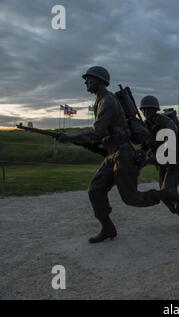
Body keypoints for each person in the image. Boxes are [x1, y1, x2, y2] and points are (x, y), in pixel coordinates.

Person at [57, 66, 172, 243]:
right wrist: (72, 139)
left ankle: (166, 194)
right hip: (112, 155)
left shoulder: (109, 101)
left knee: (132, 198)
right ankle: (108, 228)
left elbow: (96, 133)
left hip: (123, 155)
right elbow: (100, 135)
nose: (86, 82)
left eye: (89, 79)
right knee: (95, 190)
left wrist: (70, 137)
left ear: (100, 81)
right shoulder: (100, 100)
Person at [140, 96, 179, 234]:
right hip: (163, 164)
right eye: (144, 110)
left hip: (177, 160)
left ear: (155, 110)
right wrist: (141, 155)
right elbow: (144, 146)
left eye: (149, 109)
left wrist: (152, 159)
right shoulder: (145, 126)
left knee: (167, 191)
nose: (146, 112)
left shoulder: (167, 123)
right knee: (164, 196)